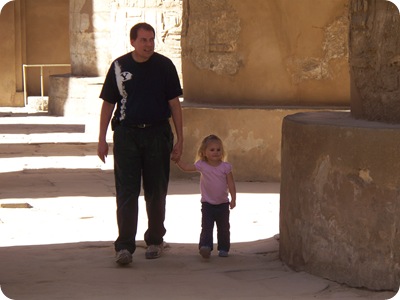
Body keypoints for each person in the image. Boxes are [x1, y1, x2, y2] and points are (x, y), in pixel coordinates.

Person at [97, 22, 183, 265]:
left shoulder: (164, 66)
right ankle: (124, 247)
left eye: (151, 40)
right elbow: (108, 104)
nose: (148, 44)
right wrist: (101, 139)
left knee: (156, 191)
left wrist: (180, 139)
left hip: (157, 134)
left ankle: (155, 240)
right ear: (133, 41)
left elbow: (175, 104)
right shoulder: (119, 66)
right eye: (143, 40)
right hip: (127, 135)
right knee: (127, 192)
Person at [176, 134, 236, 258]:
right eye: (212, 150)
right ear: (204, 152)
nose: (216, 152)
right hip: (207, 204)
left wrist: (233, 198)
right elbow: (187, 168)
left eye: (219, 149)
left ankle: (224, 248)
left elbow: (231, 184)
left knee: (224, 228)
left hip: (223, 204)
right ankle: (205, 247)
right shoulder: (202, 165)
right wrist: (177, 161)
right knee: (207, 226)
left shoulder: (225, 167)